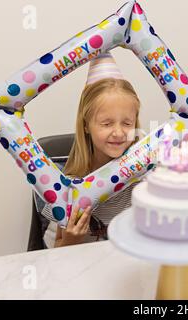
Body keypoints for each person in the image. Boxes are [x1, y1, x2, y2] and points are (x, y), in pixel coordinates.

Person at [38, 52, 141, 248]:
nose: (119, 132)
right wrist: (71, 240)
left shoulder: (144, 180)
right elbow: (49, 259)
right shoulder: (67, 188)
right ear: (86, 125)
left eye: (127, 123)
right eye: (106, 123)